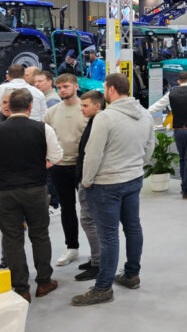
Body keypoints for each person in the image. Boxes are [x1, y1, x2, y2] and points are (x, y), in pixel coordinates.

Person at [72, 73, 154, 306]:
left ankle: (103, 287)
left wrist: (87, 181)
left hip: (106, 184)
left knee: (108, 236)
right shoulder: (145, 113)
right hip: (133, 178)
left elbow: (93, 154)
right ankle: (131, 274)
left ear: (111, 90)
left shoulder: (105, 118)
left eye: (105, 87)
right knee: (132, 227)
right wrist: (137, 165)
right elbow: (150, 147)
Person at [0, 88, 63, 302]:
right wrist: (39, 165)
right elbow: (56, 155)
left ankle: (20, 289)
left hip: (5, 192)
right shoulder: (42, 128)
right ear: (29, 107)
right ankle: (44, 282)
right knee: (39, 235)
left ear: (8, 107)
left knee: (12, 239)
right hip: (35, 189)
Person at [45, 73, 88, 267]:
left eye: (66, 86)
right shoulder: (52, 112)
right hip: (60, 167)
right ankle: (72, 247)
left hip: (83, 166)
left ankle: (98, 250)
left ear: (75, 86)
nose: (62, 90)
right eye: (59, 87)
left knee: (90, 210)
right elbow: (45, 139)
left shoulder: (86, 109)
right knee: (67, 209)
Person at [148, 71, 187, 199]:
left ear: (178, 81)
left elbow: (156, 107)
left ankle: (184, 187)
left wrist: (143, 112)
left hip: (178, 130)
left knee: (182, 159)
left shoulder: (171, 93)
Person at [73, 90, 105, 282]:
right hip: (87, 179)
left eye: (85, 106)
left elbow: (92, 154)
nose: (82, 109)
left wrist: (86, 180)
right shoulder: (94, 122)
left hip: (90, 181)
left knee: (89, 222)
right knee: (91, 221)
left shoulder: (98, 124)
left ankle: (98, 263)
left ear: (97, 105)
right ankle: (96, 258)